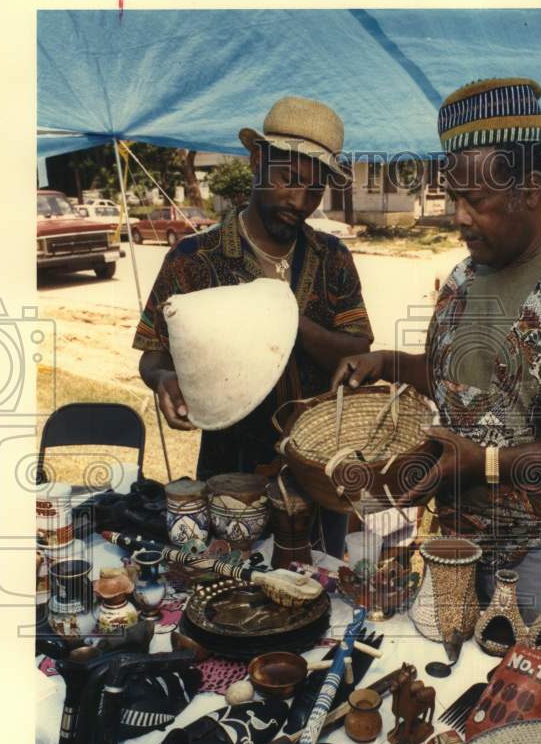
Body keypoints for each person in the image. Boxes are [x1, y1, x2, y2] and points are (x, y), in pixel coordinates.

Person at [332, 77, 541, 651]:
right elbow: (466, 378)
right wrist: (387, 362)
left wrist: (484, 463)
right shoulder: (467, 275)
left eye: (475, 200)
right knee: (460, 697)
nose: (457, 217)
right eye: (451, 197)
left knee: (539, 708)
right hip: (462, 540)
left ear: (531, 188)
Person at [133, 96, 373, 557]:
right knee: (226, 591)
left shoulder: (332, 258)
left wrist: (285, 318)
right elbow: (153, 355)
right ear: (258, 161)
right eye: (289, 180)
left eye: (315, 189)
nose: (300, 202)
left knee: (314, 590)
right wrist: (163, 379)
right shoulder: (193, 259)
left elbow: (357, 348)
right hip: (227, 468)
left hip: (319, 470)